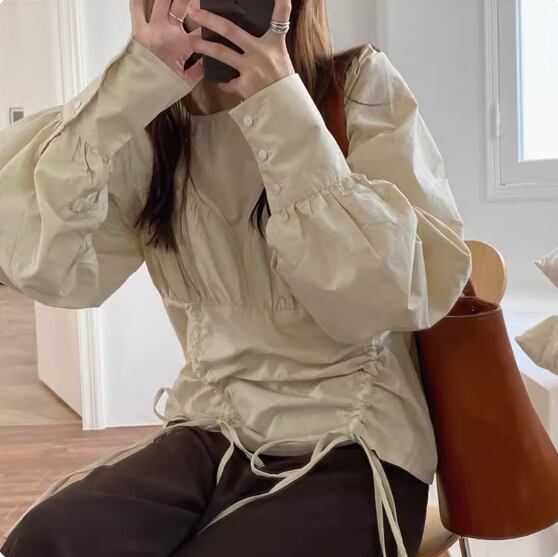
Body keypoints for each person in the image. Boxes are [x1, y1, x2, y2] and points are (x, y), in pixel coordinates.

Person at [0, 0, 472, 555]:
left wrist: (279, 105)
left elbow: (386, 296)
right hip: (211, 424)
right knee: (46, 541)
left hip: (353, 436)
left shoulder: (356, 88)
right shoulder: (153, 123)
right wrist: (128, 90)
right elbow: (47, 269)